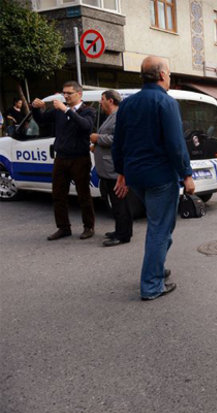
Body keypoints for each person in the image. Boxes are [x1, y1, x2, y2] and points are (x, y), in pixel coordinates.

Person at [112, 56, 195, 301]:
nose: (169, 77)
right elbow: (176, 144)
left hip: (135, 176)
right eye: (168, 73)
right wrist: (187, 174)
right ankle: (151, 284)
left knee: (161, 226)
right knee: (160, 229)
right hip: (160, 176)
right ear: (161, 75)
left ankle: (156, 268)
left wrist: (121, 173)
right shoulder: (166, 102)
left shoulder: (127, 104)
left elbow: (119, 142)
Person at [32, 81, 97, 241]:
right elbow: (41, 120)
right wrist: (35, 108)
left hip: (79, 158)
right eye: (64, 93)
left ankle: (88, 226)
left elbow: (86, 126)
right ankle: (63, 227)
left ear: (79, 94)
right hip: (61, 157)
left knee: (83, 194)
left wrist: (66, 110)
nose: (65, 96)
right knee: (58, 194)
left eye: (69, 93)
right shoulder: (59, 111)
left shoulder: (88, 110)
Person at [90, 90, 132, 247]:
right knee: (117, 203)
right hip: (107, 168)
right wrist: (96, 146)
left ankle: (122, 235)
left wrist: (98, 138)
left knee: (119, 203)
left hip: (113, 168)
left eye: (102, 99)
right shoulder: (111, 116)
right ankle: (121, 230)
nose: (100, 102)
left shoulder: (119, 116)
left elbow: (119, 139)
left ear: (111, 101)